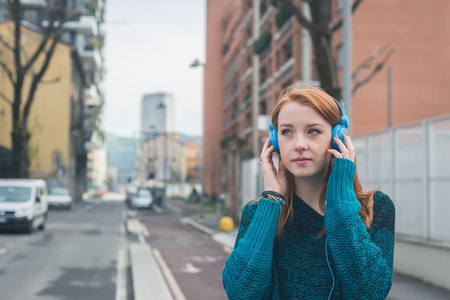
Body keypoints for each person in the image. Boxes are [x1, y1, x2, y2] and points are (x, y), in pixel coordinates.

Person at [222, 85, 395, 299]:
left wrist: (341, 202)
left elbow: (370, 292)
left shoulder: (375, 208)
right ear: (274, 141)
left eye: (312, 131)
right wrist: (272, 200)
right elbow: (240, 293)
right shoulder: (259, 212)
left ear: (337, 137)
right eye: (287, 132)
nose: (299, 145)